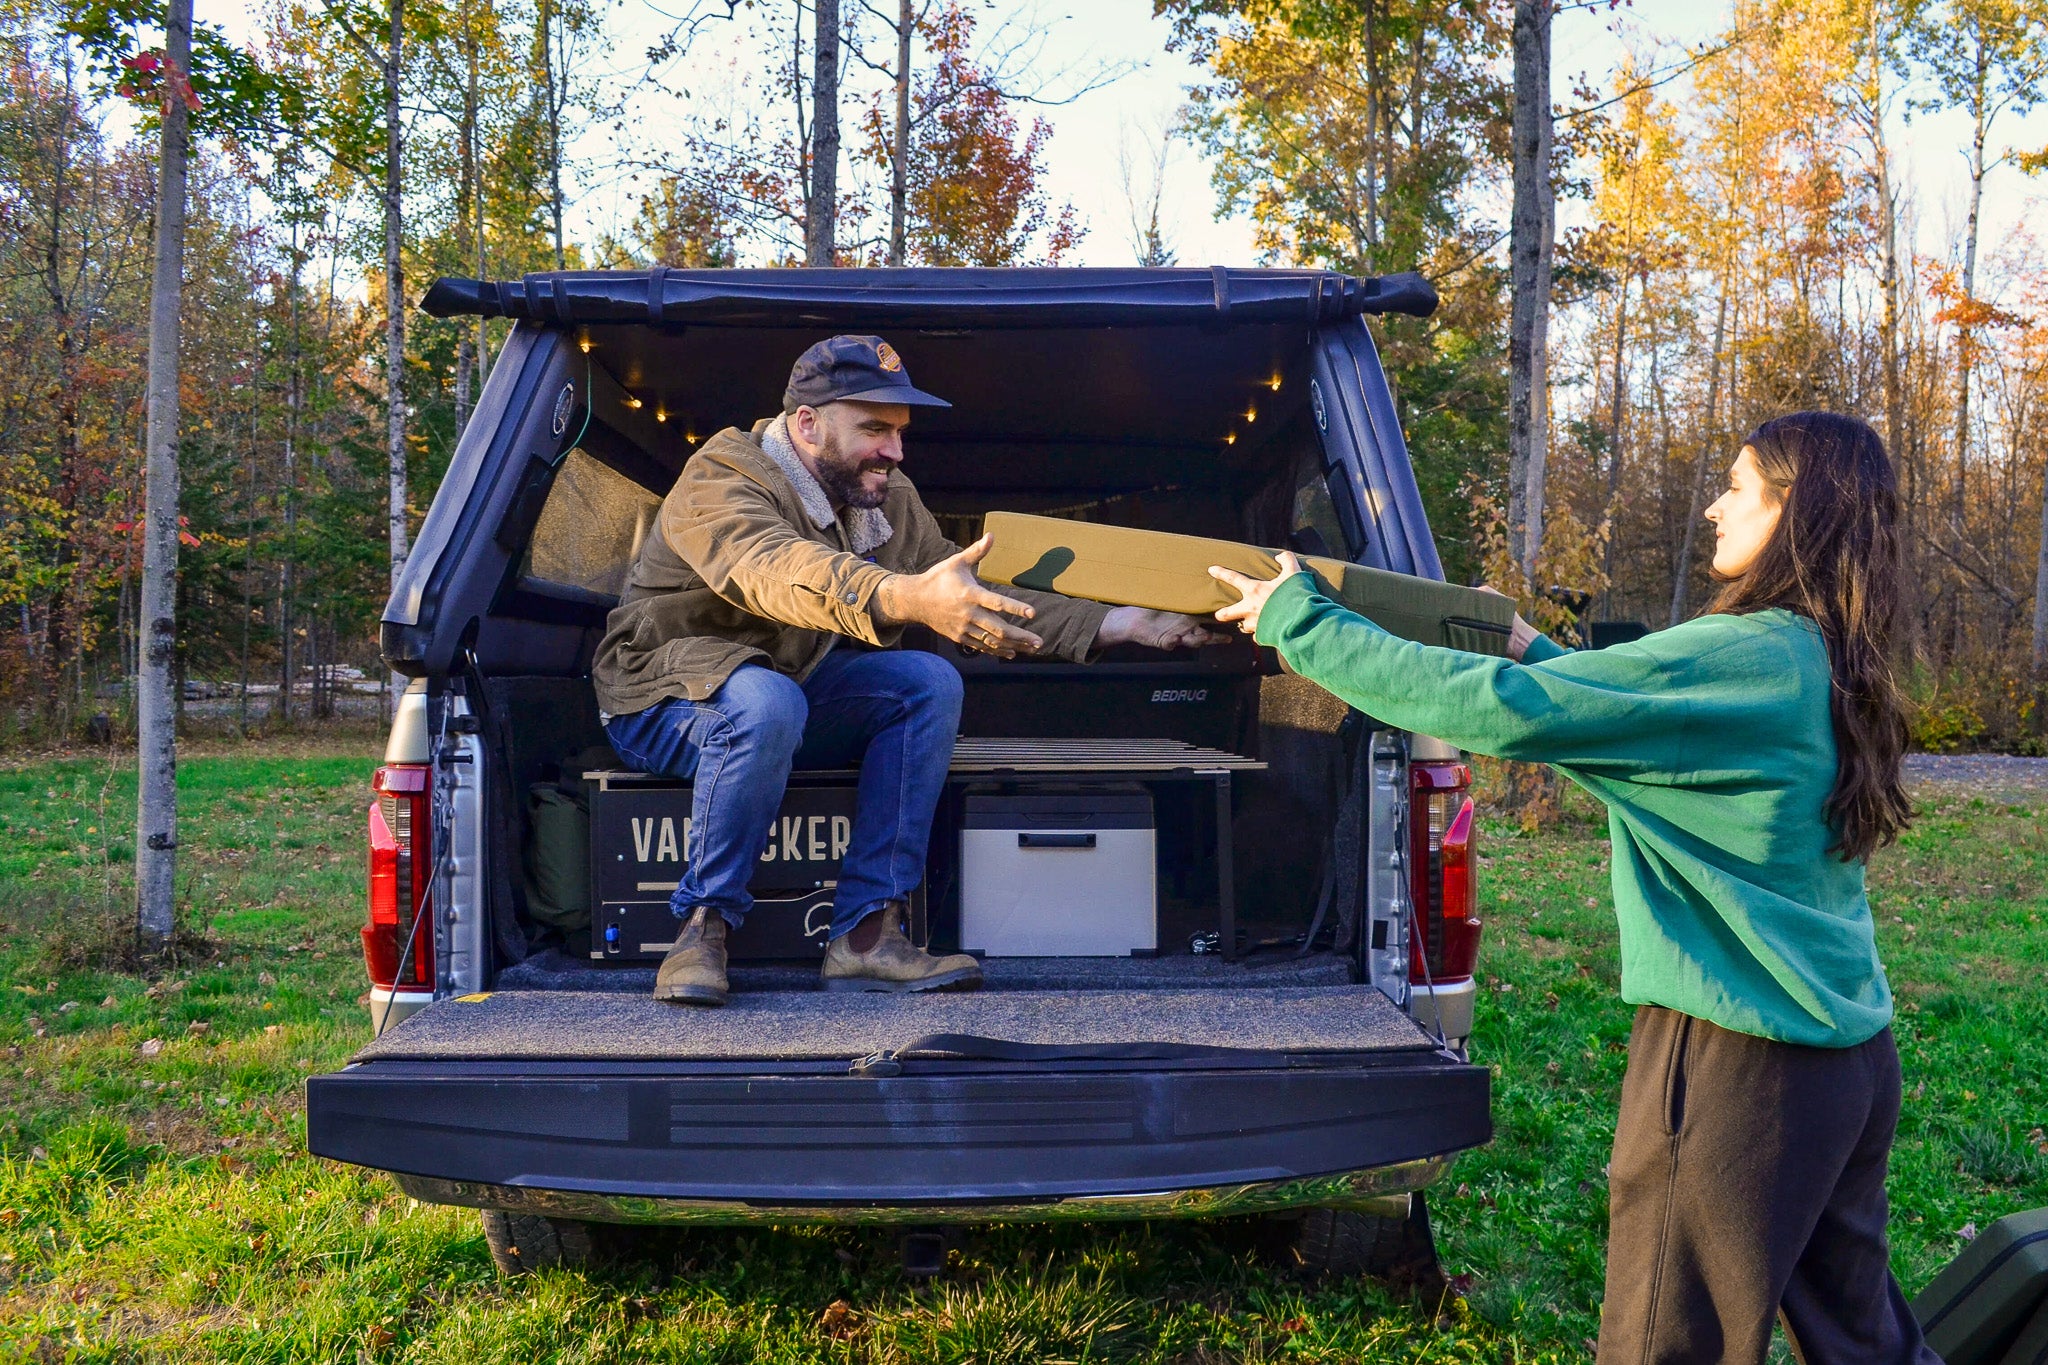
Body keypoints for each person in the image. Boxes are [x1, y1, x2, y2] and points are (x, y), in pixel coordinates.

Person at [1210, 412, 1937, 1365]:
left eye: (1736, 485)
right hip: (1845, 1063)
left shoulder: (1746, 650)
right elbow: (1636, 740)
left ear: (1793, 508)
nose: (1714, 507)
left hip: (1738, 1068)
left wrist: (1304, 624)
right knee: (1864, 1343)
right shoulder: (1826, 654)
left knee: (1659, 1346)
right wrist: (1525, 646)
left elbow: (1501, 718)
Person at [592, 334, 1221, 1006]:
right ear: (807, 424)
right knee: (768, 701)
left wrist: (1113, 623)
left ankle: (867, 936)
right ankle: (703, 926)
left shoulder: (884, 498)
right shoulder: (721, 475)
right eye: (874, 429)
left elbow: (962, 582)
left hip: (784, 694)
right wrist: (905, 597)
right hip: (663, 695)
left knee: (926, 682)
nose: (895, 450)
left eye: (899, 431)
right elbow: (776, 570)